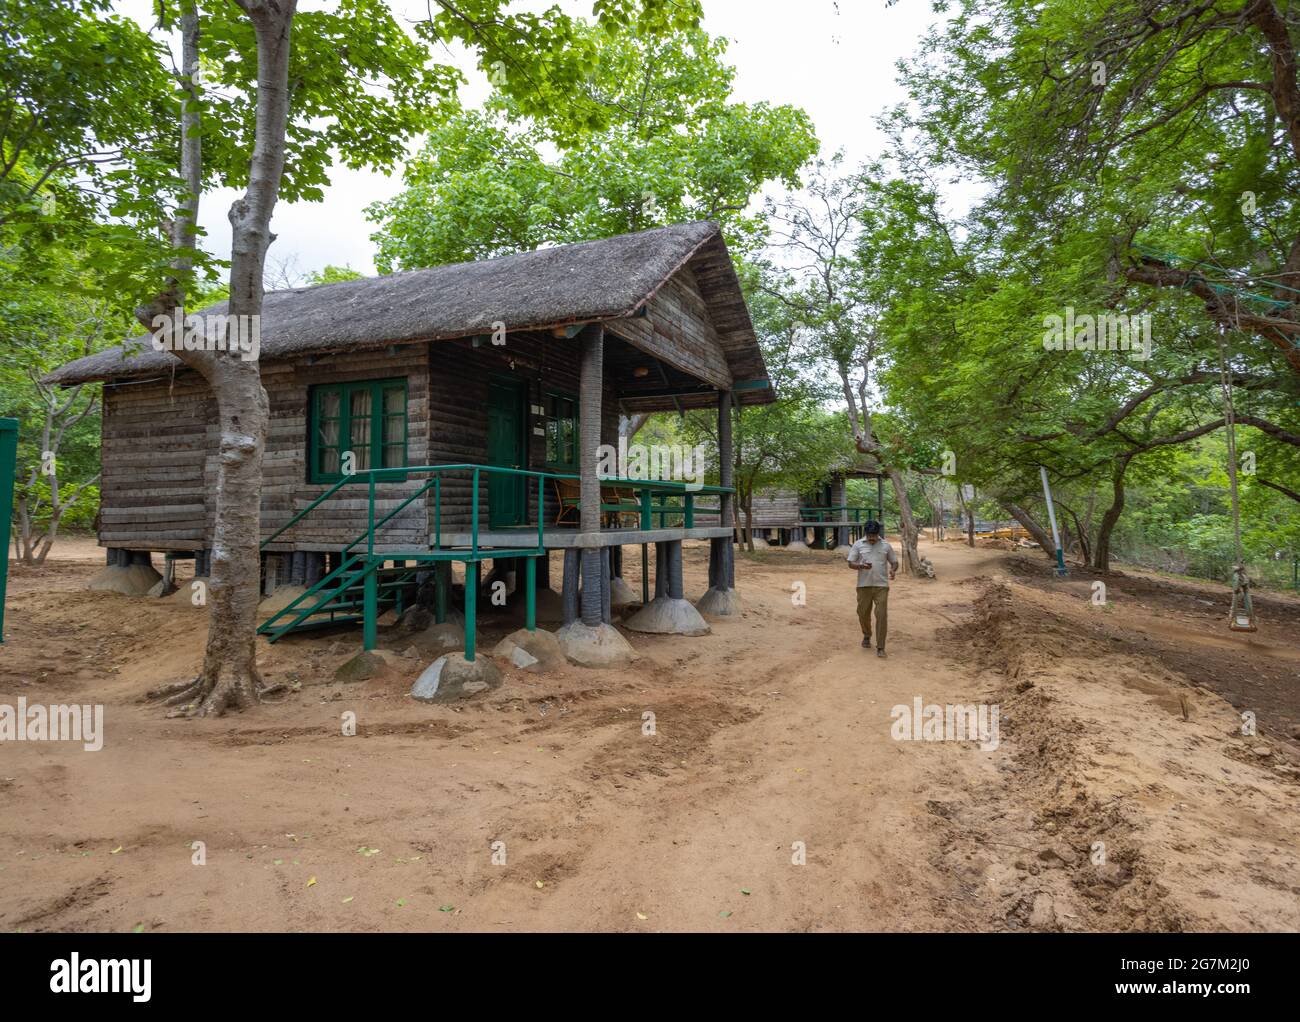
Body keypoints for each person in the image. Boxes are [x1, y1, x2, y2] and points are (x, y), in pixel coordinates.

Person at [846, 520, 898, 657]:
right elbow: (850, 563)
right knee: (862, 613)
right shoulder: (858, 545)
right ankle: (867, 634)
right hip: (864, 585)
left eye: (874, 535)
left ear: (878, 533)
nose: (871, 538)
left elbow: (894, 562)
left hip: (882, 586)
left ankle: (881, 647)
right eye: (869, 535)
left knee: (881, 615)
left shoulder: (886, 545)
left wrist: (893, 570)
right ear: (866, 533)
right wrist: (861, 566)